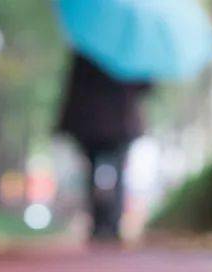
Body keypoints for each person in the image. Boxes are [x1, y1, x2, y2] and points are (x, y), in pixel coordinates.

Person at [58, 53, 152, 241]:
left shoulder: (88, 48)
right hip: (121, 121)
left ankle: (97, 223)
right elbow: (145, 87)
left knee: (93, 171)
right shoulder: (132, 53)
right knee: (117, 172)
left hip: (91, 121)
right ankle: (112, 224)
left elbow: (75, 83)